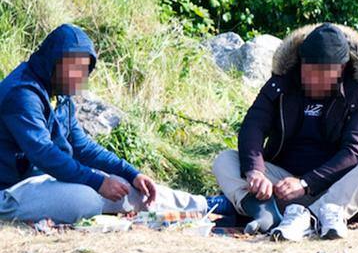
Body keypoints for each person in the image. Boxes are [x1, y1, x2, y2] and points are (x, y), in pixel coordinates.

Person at [0, 25, 206, 226]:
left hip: (49, 180)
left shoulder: (60, 94)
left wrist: (132, 174)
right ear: (53, 62)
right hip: (12, 190)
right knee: (86, 199)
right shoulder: (21, 94)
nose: (80, 77)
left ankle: (205, 205)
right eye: (74, 68)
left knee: (133, 189)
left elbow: (83, 148)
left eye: (84, 69)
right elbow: (44, 154)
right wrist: (98, 182)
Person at [214, 23, 358, 240]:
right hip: (283, 187)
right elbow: (253, 126)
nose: (315, 80)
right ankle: (263, 212)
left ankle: (311, 218)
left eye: (324, 74)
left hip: (344, 190)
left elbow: (355, 151)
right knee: (226, 160)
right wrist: (255, 172)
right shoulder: (281, 84)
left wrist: (306, 184)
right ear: (301, 63)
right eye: (309, 72)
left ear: (341, 69)